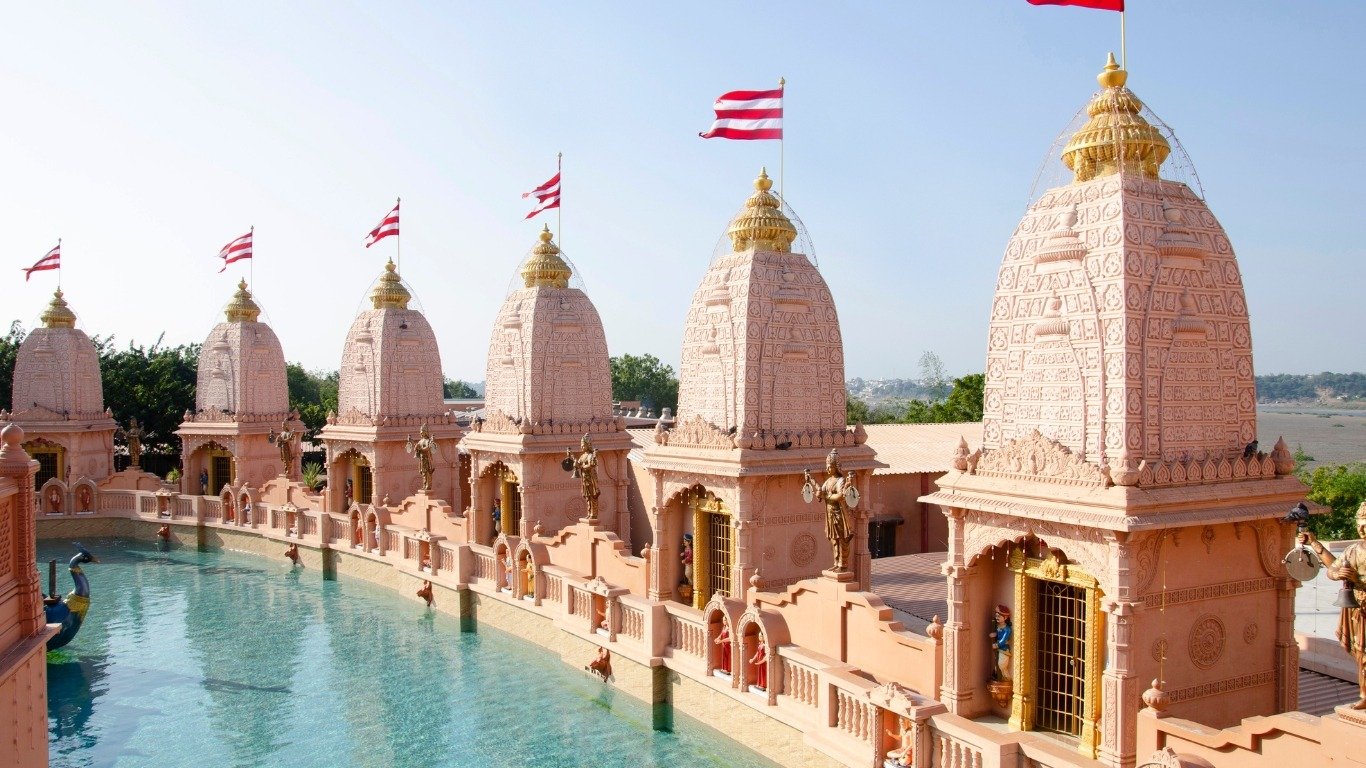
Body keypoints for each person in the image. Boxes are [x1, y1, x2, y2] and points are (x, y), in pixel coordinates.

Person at [1300, 504, 1366, 709]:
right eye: (1360, 525)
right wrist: (1316, 545)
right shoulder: (1354, 550)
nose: (1362, 529)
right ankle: (1365, 694)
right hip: (1357, 610)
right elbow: (1333, 568)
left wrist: (1358, 580)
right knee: (1361, 653)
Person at [803, 449, 859, 572]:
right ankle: (836, 562)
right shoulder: (828, 481)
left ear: (836, 467)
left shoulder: (840, 480)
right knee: (833, 540)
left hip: (839, 513)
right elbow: (821, 491)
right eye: (827, 467)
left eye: (830, 467)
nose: (828, 469)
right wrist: (811, 480)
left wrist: (826, 496)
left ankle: (843, 564)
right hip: (829, 513)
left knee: (842, 539)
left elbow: (840, 496)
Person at [566, 435, 600, 521]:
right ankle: (589, 513)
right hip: (584, 479)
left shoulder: (590, 455)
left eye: (583, 445)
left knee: (593, 496)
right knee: (587, 496)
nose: (582, 447)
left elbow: (591, 465)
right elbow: (578, 464)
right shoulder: (582, 456)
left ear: (588, 445)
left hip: (591, 478)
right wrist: (572, 455)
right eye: (581, 445)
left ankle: (594, 514)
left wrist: (582, 467)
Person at [405, 424, 436, 492]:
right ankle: (424, 485)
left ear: (426, 432)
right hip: (422, 459)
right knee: (423, 472)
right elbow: (417, 448)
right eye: (421, 431)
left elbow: (428, 448)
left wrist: (421, 449)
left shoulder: (428, 440)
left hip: (427, 459)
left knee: (428, 472)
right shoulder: (421, 441)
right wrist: (412, 442)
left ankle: (428, 485)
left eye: (423, 431)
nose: (421, 433)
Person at [990, 605, 1013, 682]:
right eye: (996, 616)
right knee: (997, 663)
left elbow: (1004, 639)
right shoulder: (997, 626)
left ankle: (1007, 679)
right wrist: (993, 635)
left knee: (1001, 664)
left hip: (1004, 649)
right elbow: (996, 635)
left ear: (1005, 618)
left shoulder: (1007, 629)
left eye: (999, 616)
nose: (997, 618)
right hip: (998, 649)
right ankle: (997, 676)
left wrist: (997, 645)